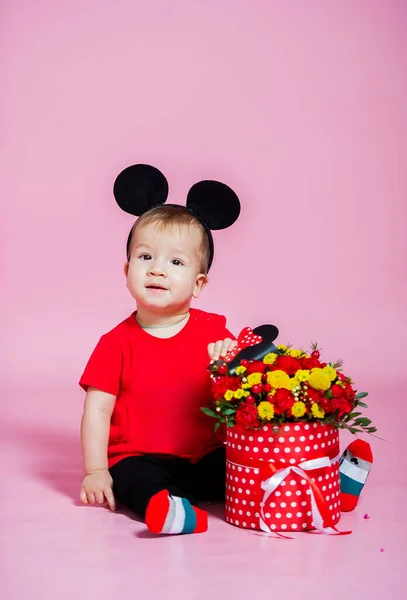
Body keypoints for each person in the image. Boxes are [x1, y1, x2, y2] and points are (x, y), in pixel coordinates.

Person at [79, 197, 239, 535]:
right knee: (131, 479)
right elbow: (97, 410)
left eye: (176, 261)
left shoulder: (214, 333)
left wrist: (229, 369)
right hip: (141, 457)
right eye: (145, 256)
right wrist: (95, 470)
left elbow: (236, 401)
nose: (157, 269)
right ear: (127, 272)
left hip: (205, 457)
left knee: (244, 463)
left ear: (198, 284)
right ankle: (170, 510)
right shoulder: (115, 343)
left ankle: (312, 481)